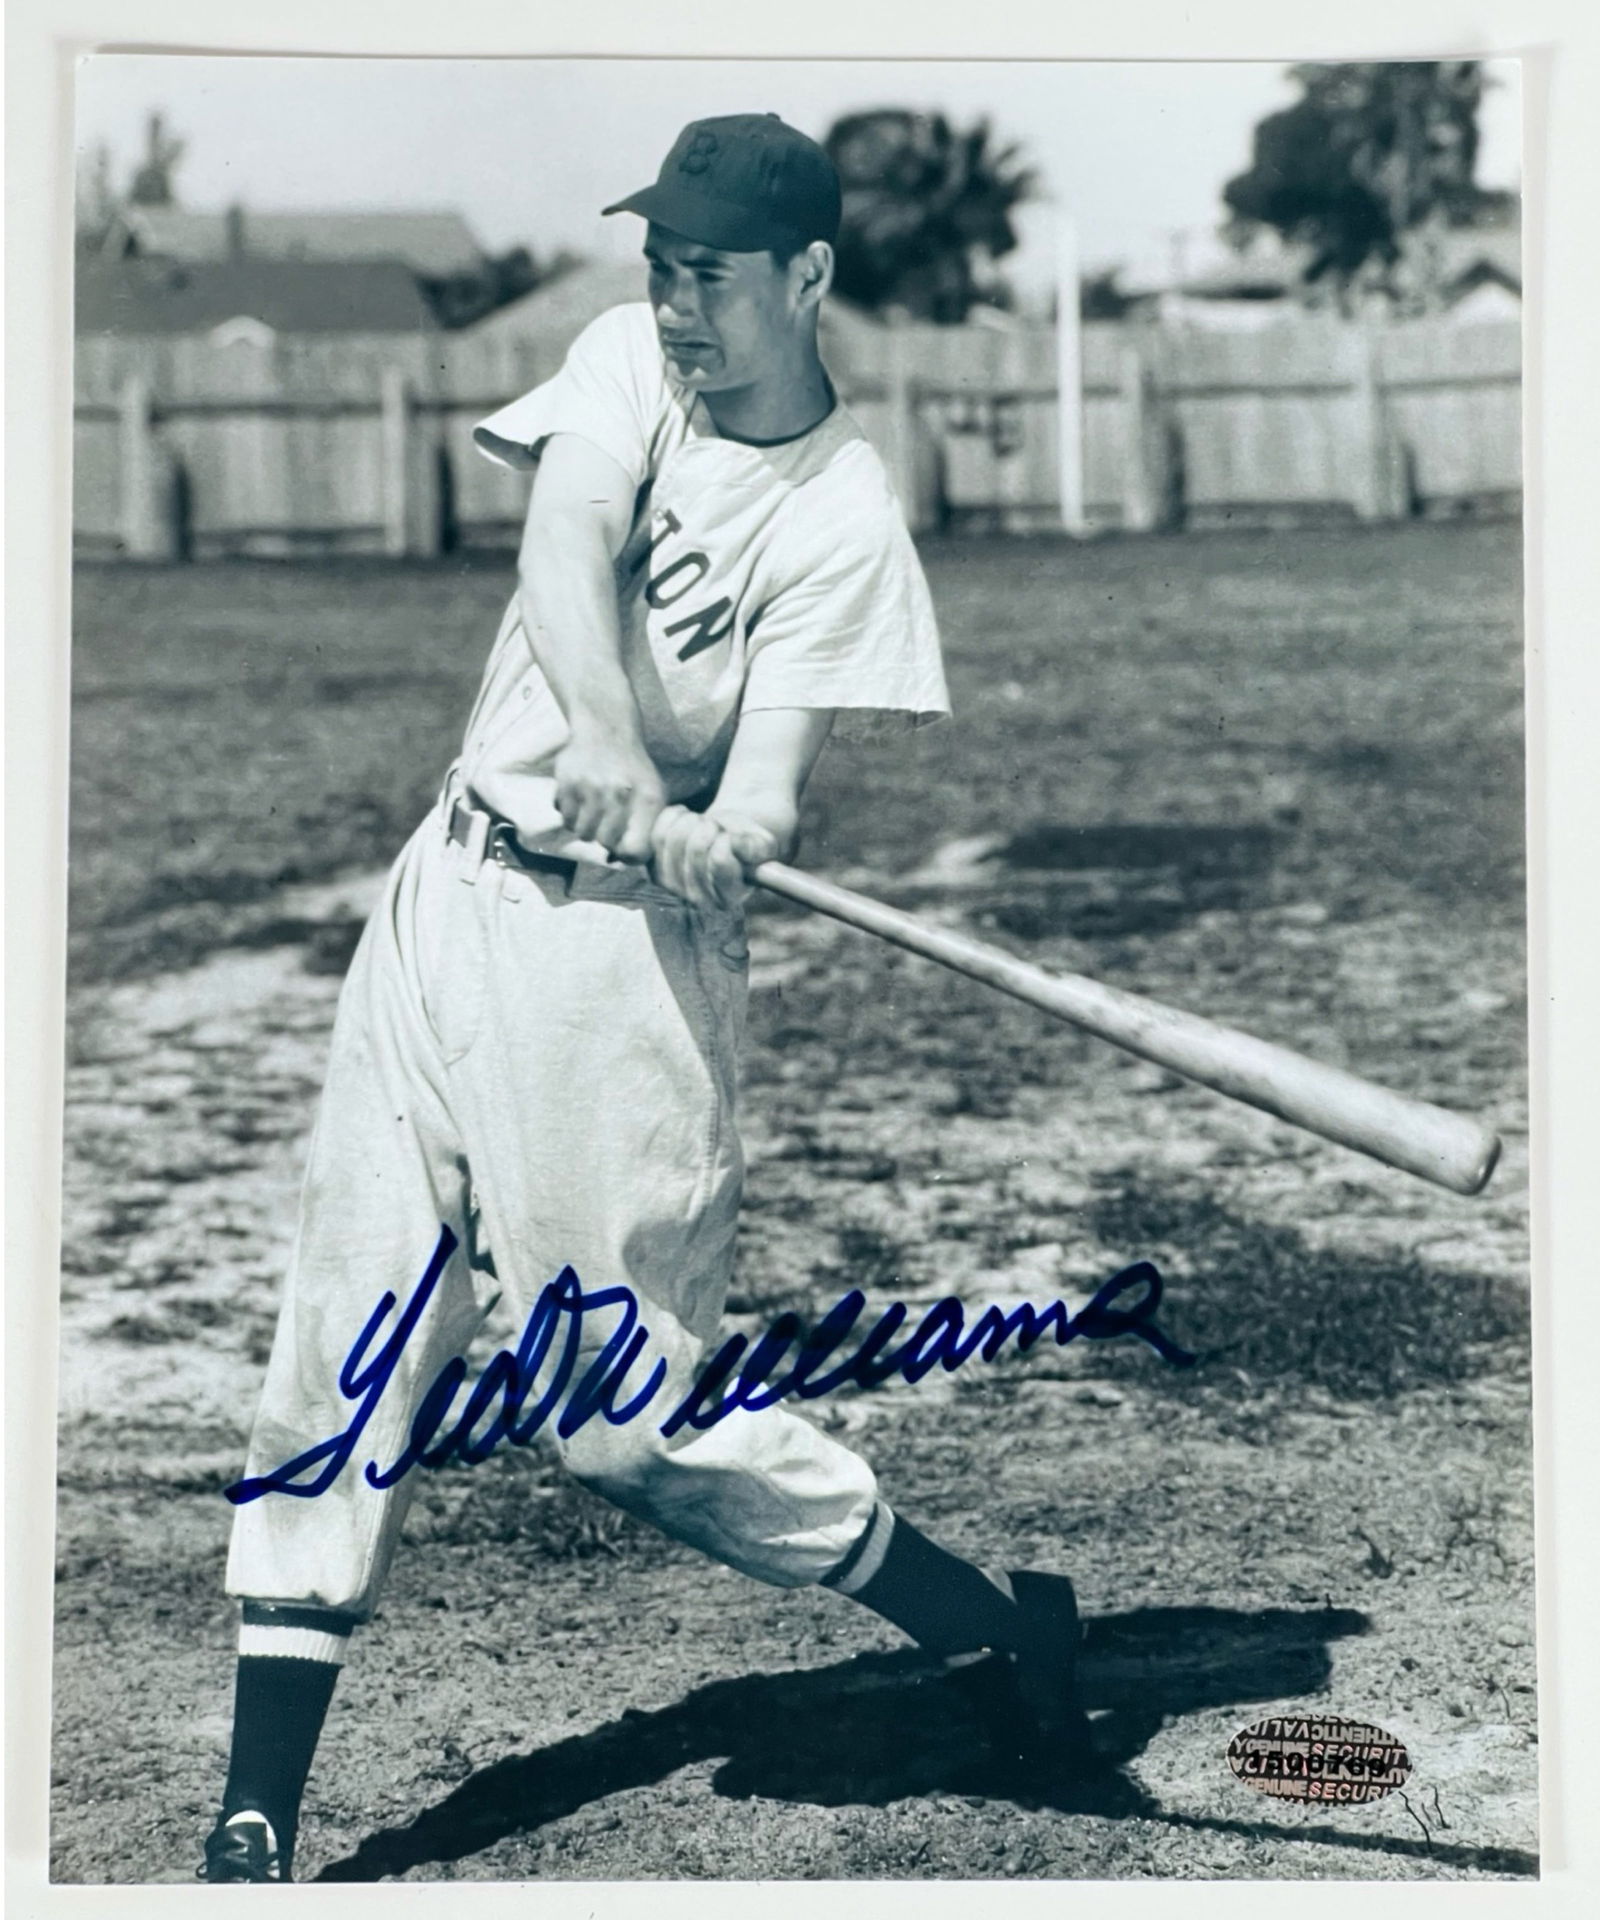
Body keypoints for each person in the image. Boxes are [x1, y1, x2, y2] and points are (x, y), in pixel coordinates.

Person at [201, 114, 1094, 1887]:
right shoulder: (629, 362)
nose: (679, 303)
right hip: (451, 893)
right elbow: (562, 551)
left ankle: (992, 1623)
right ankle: (256, 1813)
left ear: (809, 275)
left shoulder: (842, 511)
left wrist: (720, 835)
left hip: (618, 971)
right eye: (664, 266)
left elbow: (768, 788)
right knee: (344, 1332)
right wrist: (608, 741)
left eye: (714, 274)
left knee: (623, 1419)